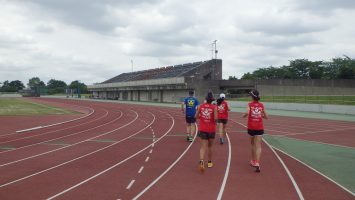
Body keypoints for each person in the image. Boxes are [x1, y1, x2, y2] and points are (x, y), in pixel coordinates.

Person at [243, 89, 268, 173]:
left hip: (251, 127)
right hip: (259, 127)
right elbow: (266, 116)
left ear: (252, 97)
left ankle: (253, 161)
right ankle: (257, 162)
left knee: (252, 144)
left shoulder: (249, 104)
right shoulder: (261, 105)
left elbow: (247, 113)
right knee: (258, 145)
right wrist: (260, 115)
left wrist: (243, 115)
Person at [195, 91, 217, 173]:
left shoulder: (201, 106)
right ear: (212, 100)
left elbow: (196, 116)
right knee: (210, 147)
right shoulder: (214, 107)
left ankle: (201, 161)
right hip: (211, 130)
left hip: (203, 129)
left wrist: (203, 117)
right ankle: (210, 162)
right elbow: (215, 119)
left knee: (203, 147)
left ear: (206, 99)